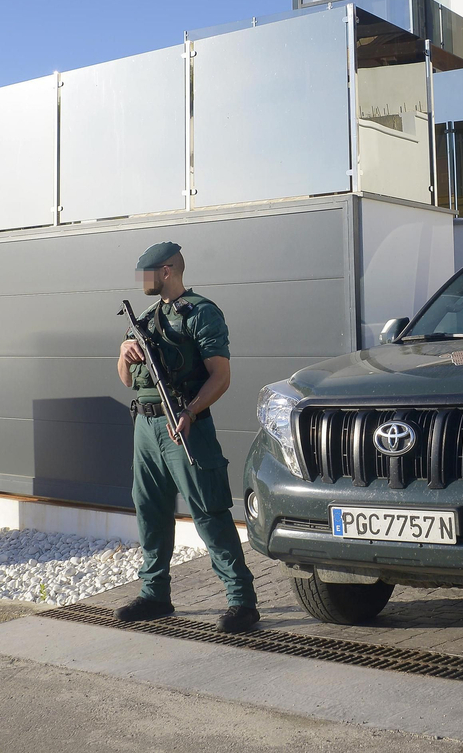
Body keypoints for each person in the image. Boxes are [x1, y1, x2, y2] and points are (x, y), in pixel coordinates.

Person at [113, 241, 259, 633]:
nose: (142, 281)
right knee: (150, 510)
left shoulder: (201, 313)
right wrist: (124, 353)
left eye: (147, 273)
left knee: (208, 511)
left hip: (185, 427)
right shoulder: (144, 318)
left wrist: (190, 411)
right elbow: (127, 381)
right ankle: (155, 594)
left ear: (167, 271)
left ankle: (242, 601)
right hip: (145, 427)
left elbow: (221, 376)